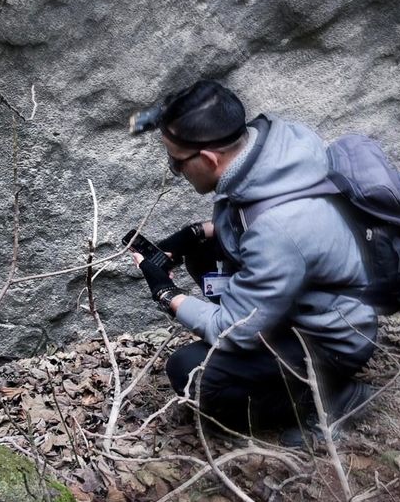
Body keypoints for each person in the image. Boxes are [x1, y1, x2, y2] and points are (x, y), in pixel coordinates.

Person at [130, 80, 377, 446]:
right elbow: (254, 219)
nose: (174, 170)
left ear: (210, 159)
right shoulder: (269, 146)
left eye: (177, 162)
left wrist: (166, 293)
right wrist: (194, 235)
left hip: (331, 337)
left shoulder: (279, 229)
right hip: (306, 296)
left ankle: (332, 398)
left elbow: (233, 328)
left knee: (190, 373)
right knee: (203, 252)